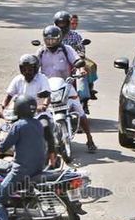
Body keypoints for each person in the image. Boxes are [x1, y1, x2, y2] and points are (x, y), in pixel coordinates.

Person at [0, 96, 47, 220]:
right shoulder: (38, 123)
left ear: (18, 108)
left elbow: (3, 147)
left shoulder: (19, 125)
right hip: (37, 166)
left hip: (22, 169)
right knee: (5, 167)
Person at [37, 25, 97, 153]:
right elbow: (34, 64)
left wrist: (81, 70)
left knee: (79, 110)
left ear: (59, 39)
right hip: (47, 88)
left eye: (53, 40)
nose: (50, 42)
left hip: (66, 85)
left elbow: (77, 60)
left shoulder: (67, 49)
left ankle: (89, 138)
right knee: (36, 110)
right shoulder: (41, 51)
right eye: (48, 40)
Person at [69, 14, 98, 102]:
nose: (74, 25)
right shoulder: (56, 34)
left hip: (75, 58)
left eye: (76, 23)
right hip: (59, 59)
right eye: (72, 23)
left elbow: (81, 50)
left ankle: (89, 90)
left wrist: (80, 58)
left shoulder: (76, 36)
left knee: (91, 65)